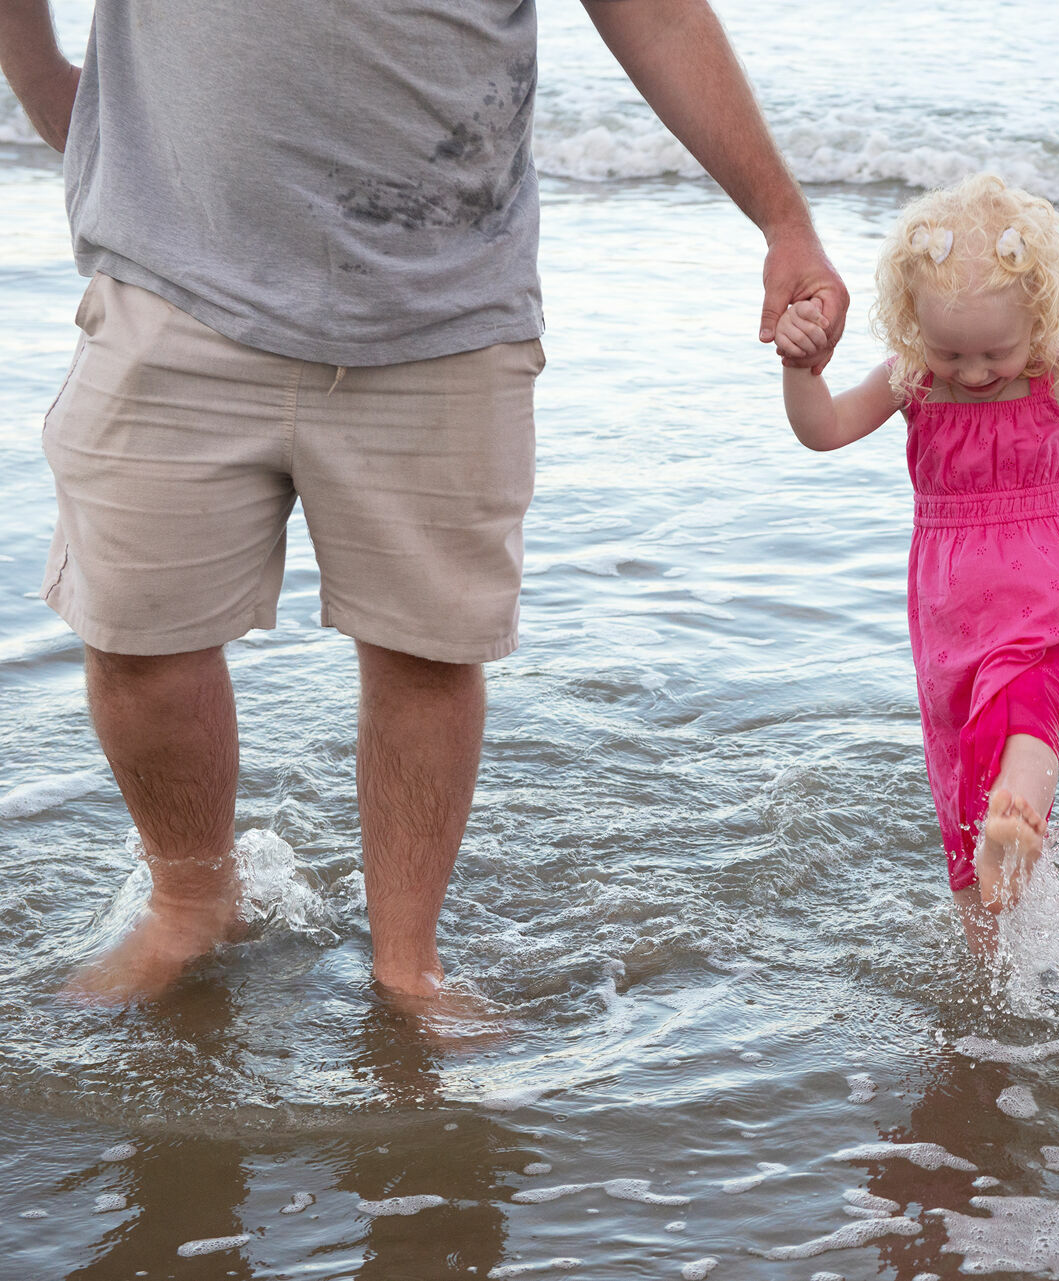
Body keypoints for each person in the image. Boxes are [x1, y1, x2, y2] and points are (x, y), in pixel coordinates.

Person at [0, 0, 849, 1010]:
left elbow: (652, 11)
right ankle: (192, 902)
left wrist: (782, 220)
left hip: (444, 301)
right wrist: (35, 68)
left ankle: (409, 963)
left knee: (426, 653)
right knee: (138, 640)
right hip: (169, 271)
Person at [774, 174, 1059, 928]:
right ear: (914, 327)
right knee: (958, 770)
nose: (975, 371)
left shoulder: (1058, 374)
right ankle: (989, 937)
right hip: (952, 622)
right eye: (951, 351)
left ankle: (1020, 809)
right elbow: (822, 428)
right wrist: (802, 371)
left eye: (995, 350)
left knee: (1024, 703)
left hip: (1052, 594)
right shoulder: (911, 383)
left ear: (1040, 320)